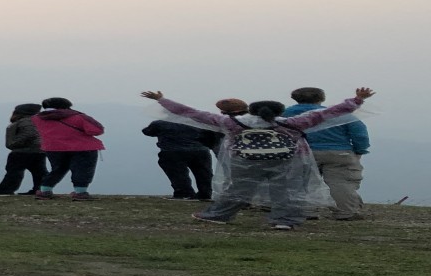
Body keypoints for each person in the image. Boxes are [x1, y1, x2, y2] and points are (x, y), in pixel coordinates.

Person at [141, 88, 375, 230]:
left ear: (251, 111)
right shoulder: (292, 123)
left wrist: (163, 100)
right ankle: (285, 221)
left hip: (245, 161)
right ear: (279, 111)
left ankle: (217, 216)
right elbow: (326, 113)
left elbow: (193, 113)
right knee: (287, 190)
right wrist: (356, 100)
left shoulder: (233, 122)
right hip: (286, 160)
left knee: (238, 189)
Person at [289, 87, 371, 221]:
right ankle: (346, 212)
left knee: (304, 181)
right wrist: (360, 150)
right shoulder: (338, 114)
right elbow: (359, 133)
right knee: (341, 182)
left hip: (301, 152)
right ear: (321, 99)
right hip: (339, 153)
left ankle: (307, 210)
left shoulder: (286, 114)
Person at [31, 98, 107, 201]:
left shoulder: (36, 119)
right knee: (82, 169)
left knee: (58, 169)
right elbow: (97, 130)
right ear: (66, 106)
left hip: (53, 147)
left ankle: (44, 191)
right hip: (83, 147)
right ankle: (80, 193)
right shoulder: (78, 117)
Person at [141, 111, 221, 201]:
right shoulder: (199, 123)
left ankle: (184, 193)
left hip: (172, 152)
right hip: (201, 151)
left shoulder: (160, 123)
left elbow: (147, 132)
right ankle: (206, 194)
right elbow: (213, 135)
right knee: (204, 173)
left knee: (178, 174)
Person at [0, 104, 48, 196]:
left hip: (22, 152)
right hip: (39, 151)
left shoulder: (24, 122)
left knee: (14, 171)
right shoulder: (39, 121)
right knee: (39, 172)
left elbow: (29, 134)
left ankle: (5, 189)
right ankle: (40, 189)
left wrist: (14, 143)